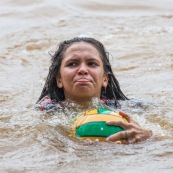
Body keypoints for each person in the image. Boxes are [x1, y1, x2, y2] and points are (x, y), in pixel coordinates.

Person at [36, 37, 152, 144]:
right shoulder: (46, 112)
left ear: (105, 78)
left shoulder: (130, 109)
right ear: (59, 79)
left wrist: (147, 137)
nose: (82, 70)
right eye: (72, 64)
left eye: (92, 63)